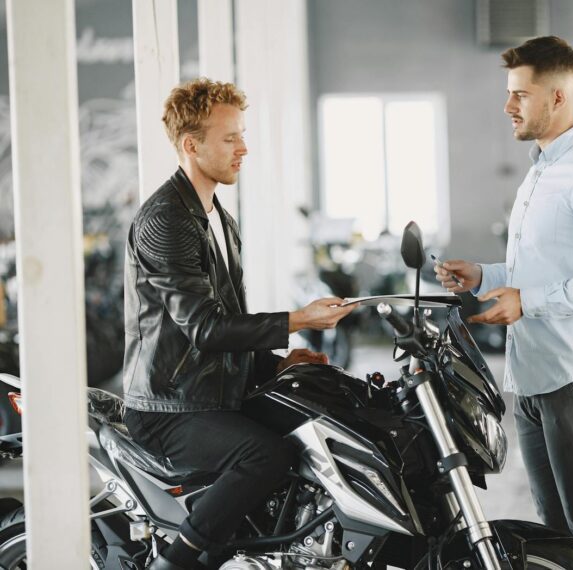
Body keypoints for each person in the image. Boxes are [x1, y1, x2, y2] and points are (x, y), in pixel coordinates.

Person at [122, 78, 355, 570]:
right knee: (265, 456)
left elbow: (224, 330)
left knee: (317, 418)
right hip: (169, 406)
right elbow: (204, 328)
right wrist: (299, 319)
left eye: (241, 135)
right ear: (191, 145)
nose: (243, 148)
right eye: (230, 138)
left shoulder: (216, 219)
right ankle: (175, 560)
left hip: (209, 391)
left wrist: (277, 363)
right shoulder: (167, 218)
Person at [435, 36, 573, 569]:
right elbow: (540, 271)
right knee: (558, 539)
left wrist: (527, 302)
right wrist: (483, 276)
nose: (508, 106)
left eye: (519, 95)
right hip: (534, 376)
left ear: (557, 97)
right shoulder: (543, 168)